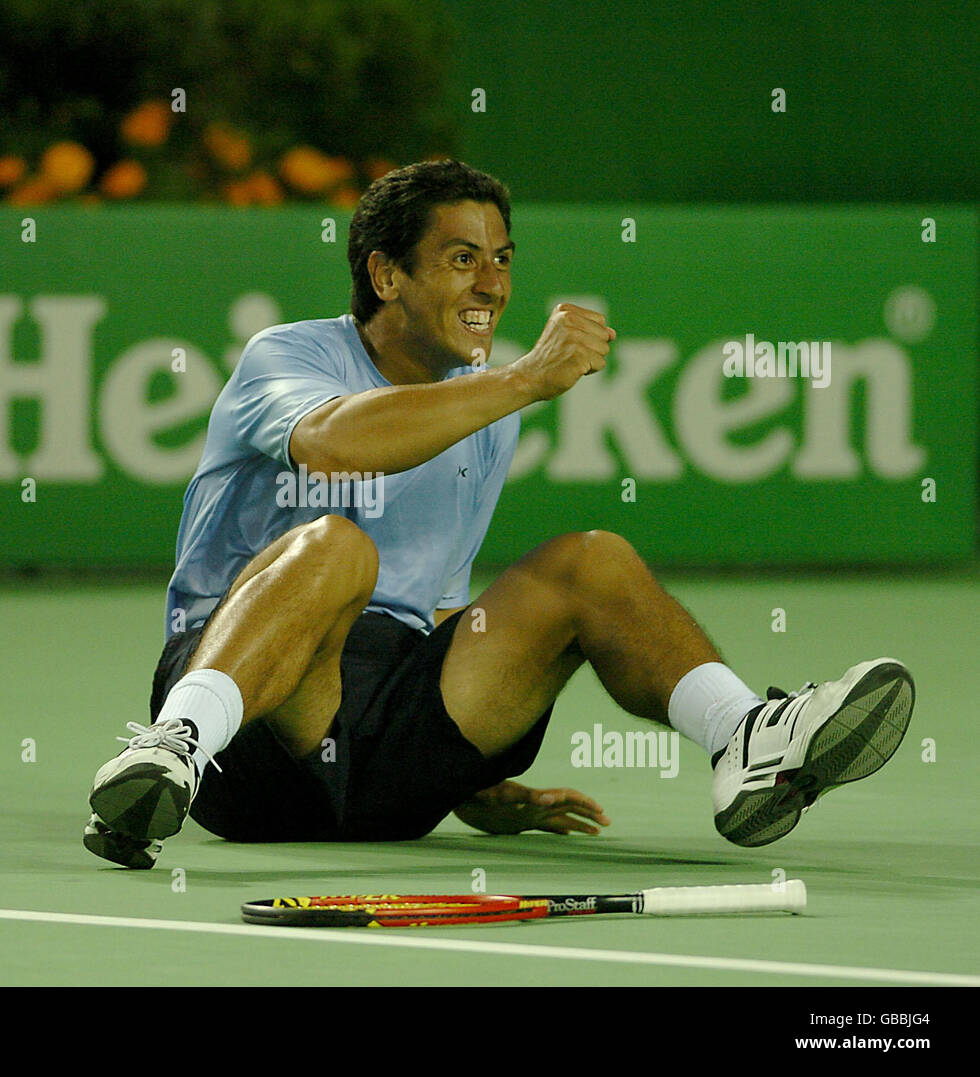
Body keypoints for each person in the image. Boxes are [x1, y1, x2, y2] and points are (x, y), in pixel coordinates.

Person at [83, 159, 915, 869]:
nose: (494, 285)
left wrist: (472, 784)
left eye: (503, 259)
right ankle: (170, 751)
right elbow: (336, 446)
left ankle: (745, 740)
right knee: (338, 545)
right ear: (385, 275)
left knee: (592, 558)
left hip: (388, 778)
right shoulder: (291, 355)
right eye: (461, 258)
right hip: (251, 738)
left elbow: (439, 605)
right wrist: (520, 379)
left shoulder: (485, 408)